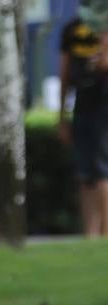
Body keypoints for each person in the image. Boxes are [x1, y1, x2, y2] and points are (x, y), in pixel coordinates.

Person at [59, 16, 108, 237]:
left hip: (103, 107)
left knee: (101, 172)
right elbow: (65, 74)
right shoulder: (72, 29)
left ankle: (105, 232)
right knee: (85, 174)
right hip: (82, 107)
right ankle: (91, 234)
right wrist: (62, 116)